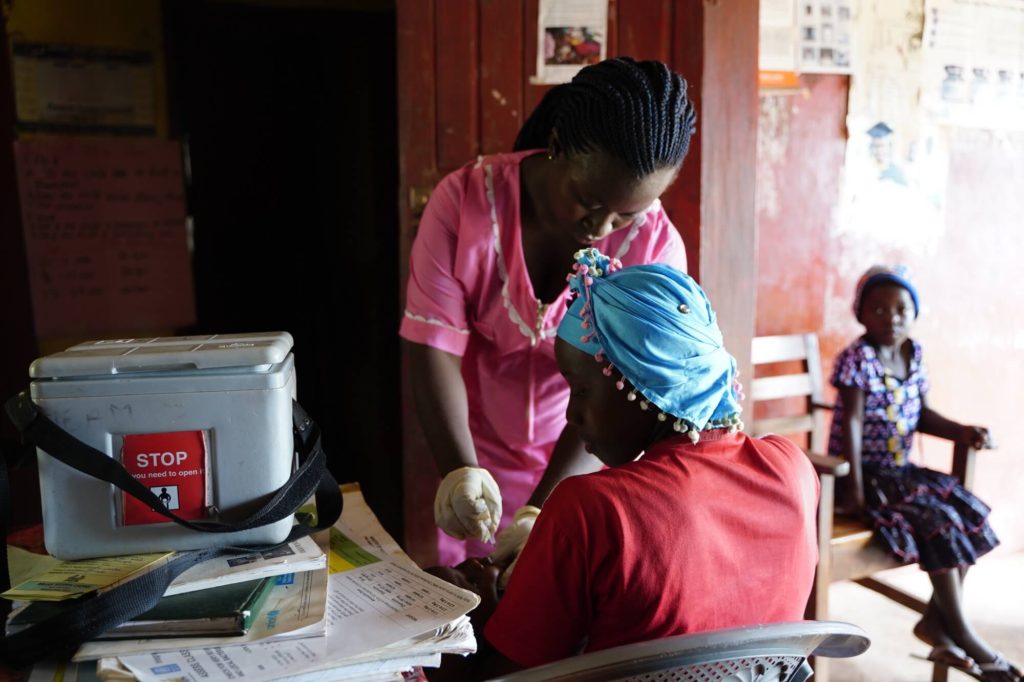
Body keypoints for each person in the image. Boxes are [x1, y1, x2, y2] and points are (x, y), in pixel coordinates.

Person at [427, 249, 820, 680]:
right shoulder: (792, 469)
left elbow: (506, 676)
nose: (571, 416)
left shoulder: (592, 508)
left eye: (581, 390)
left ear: (640, 381)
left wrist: (474, 611)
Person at [400, 57, 696, 565]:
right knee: (473, 588)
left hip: (588, 456)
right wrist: (461, 471)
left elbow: (620, 388)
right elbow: (433, 345)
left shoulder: (654, 248)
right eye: (587, 199)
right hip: (472, 444)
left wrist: (544, 511)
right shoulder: (465, 203)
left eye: (627, 214)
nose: (601, 228)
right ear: (557, 145)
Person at [829, 265, 1020, 682]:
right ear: (861, 314)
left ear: (914, 314)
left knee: (967, 513)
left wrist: (962, 431)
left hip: (901, 472)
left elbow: (922, 415)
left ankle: (937, 622)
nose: (891, 318)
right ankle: (961, 632)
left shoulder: (913, 354)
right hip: (864, 476)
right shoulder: (857, 359)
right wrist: (854, 491)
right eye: (878, 309)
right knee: (939, 522)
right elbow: (853, 427)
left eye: (901, 309)